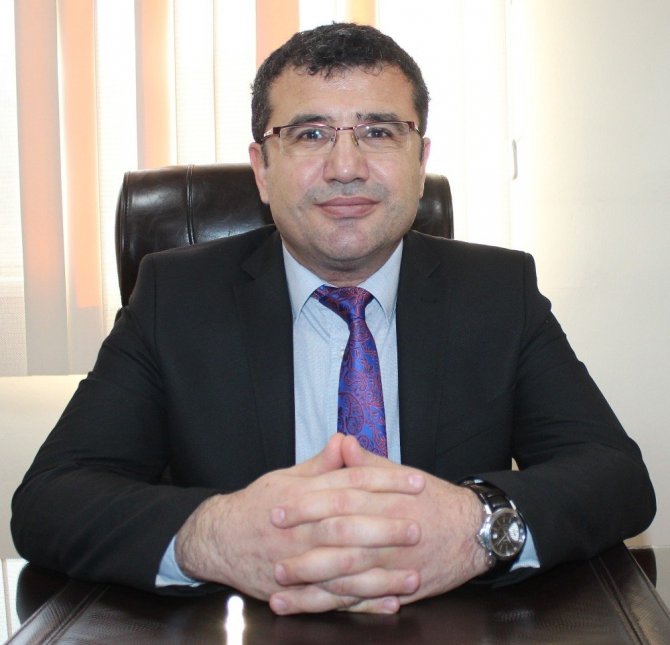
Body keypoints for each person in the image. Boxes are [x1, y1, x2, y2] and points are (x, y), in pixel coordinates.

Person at [11, 23, 655, 615]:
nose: (346, 168)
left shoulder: (497, 292)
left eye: (379, 132)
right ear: (262, 169)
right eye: (310, 134)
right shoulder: (175, 297)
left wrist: (477, 526)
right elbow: (51, 499)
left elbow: (616, 476)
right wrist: (214, 535)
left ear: (420, 160)